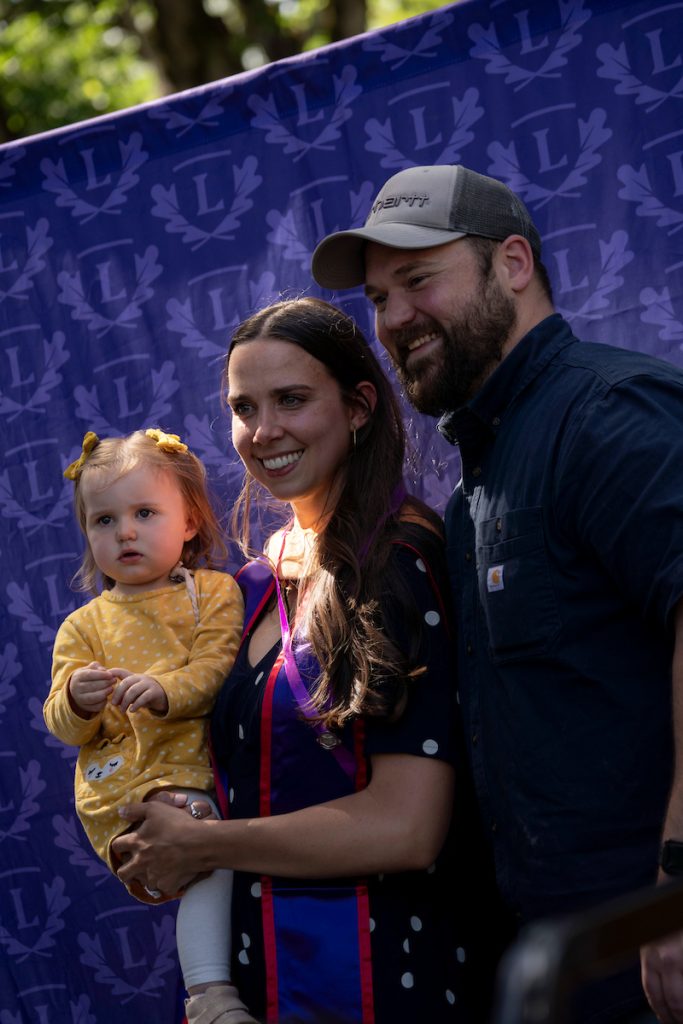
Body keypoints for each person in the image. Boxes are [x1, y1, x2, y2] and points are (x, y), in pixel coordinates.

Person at [310, 163, 683, 1023]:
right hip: (561, 967)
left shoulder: (608, 412)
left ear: (511, 263)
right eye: (376, 298)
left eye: (417, 280)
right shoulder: (470, 495)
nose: (393, 319)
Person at [112, 297, 467, 1023]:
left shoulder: (399, 563)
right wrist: (156, 823)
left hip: (377, 979)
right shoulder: (243, 587)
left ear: (360, 406)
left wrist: (205, 846)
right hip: (259, 984)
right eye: (244, 407)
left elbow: (408, 826)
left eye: (292, 400)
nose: (263, 431)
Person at [44, 427, 256, 1024]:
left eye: (144, 512)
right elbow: (64, 727)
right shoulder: (83, 627)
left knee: (229, 859)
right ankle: (209, 996)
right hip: (128, 783)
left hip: (203, 765)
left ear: (189, 521)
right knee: (209, 846)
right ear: (87, 535)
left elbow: (217, 669)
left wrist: (164, 690)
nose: (125, 532)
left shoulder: (212, 593)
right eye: (104, 521)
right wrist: (79, 703)